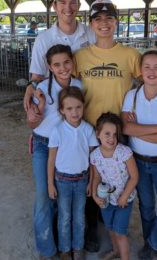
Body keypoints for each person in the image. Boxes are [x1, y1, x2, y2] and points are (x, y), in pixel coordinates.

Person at [74, 0, 141, 252]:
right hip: (90, 132)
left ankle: (114, 225)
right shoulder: (80, 56)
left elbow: (150, 79)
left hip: (116, 132)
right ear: (91, 25)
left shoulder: (130, 55)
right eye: (98, 19)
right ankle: (93, 228)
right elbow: (59, 80)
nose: (104, 23)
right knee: (93, 180)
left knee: (118, 179)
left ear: (116, 22)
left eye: (109, 19)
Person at [121, 50, 157, 260]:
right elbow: (126, 129)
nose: (152, 71)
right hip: (138, 162)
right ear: (140, 71)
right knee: (146, 207)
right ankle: (150, 247)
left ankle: (154, 245)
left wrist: (139, 129)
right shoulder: (132, 96)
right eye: (147, 66)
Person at [27, 44, 82, 260]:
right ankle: (46, 249)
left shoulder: (79, 86)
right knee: (43, 196)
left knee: (63, 196)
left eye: (66, 62)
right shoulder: (40, 88)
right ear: (49, 67)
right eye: (56, 64)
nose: (62, 68)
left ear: (73, 62)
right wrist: (38, 107)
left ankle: (64, 245)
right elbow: (31, 123)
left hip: (68, 147)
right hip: (43, 144)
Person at [24, 0, 95, 111]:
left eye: (73, 2)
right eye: (62, 2)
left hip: (86, 102)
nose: (68, 8)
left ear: (79, 5)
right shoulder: (43, 39)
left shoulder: (92, 34)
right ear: (54, 6)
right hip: (54, 105)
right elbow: (37, 76)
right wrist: (30, 87)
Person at [47, 86, 98, 260]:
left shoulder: (88, 130)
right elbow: (51, 160)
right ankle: (64, 249)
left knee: (79, 216)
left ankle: (78, 248)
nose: (74, 112)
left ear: (83, 107)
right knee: (64, 216)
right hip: (62, 181)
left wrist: (91, 182)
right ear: (62, 110)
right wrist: (50, 184)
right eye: (69, 108)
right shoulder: (57, 131)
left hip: (82, 180)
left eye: (78, 107)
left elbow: (93, 160)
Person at [91, 112, 138, 260]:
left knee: (120, 233)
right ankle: (116, 251)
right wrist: (94, 195)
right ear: (98, 134)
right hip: (106, 201)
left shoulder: (124, 152)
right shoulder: (95, 156)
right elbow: (96, 176)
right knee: (110, 229)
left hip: (124, 200)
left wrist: (124, 196)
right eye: (107, 134)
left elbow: (135, 177)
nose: (111, 138)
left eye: (114, 134)